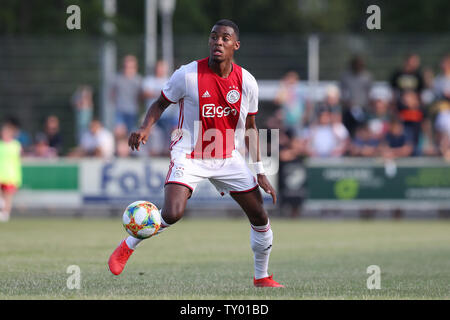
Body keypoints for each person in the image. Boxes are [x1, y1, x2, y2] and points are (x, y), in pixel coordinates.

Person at [107, 19, 283, 288]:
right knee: (173, 212)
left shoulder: (247, 82)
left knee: (260, 216)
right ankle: (127, 245)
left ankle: (262, 277)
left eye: (225, 38)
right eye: (214, 37)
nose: (218, 42)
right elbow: (160, 103)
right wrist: (145, 128)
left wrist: (260, 171)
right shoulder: (187, 75)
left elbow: (250, 128)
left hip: (227, 157)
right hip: (189, 153)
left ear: (235, 45)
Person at [340, 55, 373, 137]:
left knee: (361, 128)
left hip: (363, 108)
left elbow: (369, 92)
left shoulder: (367, 76)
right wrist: (347, 103)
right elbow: (343, 92)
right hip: (349, 108)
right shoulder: (346, 77)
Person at [110, 55, 143, 134]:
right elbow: (112, 94)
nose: (128, 69)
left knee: (131, 133)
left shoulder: (138, 80)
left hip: (133, 111)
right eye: (126, 66)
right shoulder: (118, 78)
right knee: (119, 132)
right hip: (120, 110)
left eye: (130, 67)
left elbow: (141, 96)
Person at [0, 122, 22, 222]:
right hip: (1, 173)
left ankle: (5, 213)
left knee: (8, 195)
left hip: (10, 174)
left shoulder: (16, 145)